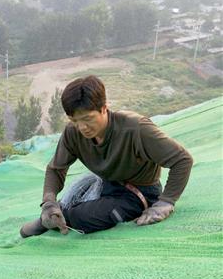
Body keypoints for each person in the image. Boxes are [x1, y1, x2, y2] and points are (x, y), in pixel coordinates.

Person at [20, 75, 193, 237]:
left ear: (104, 108)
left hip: (138, 194)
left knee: (81, 217)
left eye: (88, 118)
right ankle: (52, 217)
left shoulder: (135, 128)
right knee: (70, 200)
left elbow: (182, 160)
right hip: (106, 184)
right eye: (74, 120)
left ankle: (52, 222)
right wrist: (49, 203)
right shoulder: (73, 132)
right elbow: (55, 169)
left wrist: (166, 202)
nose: (82, 127)